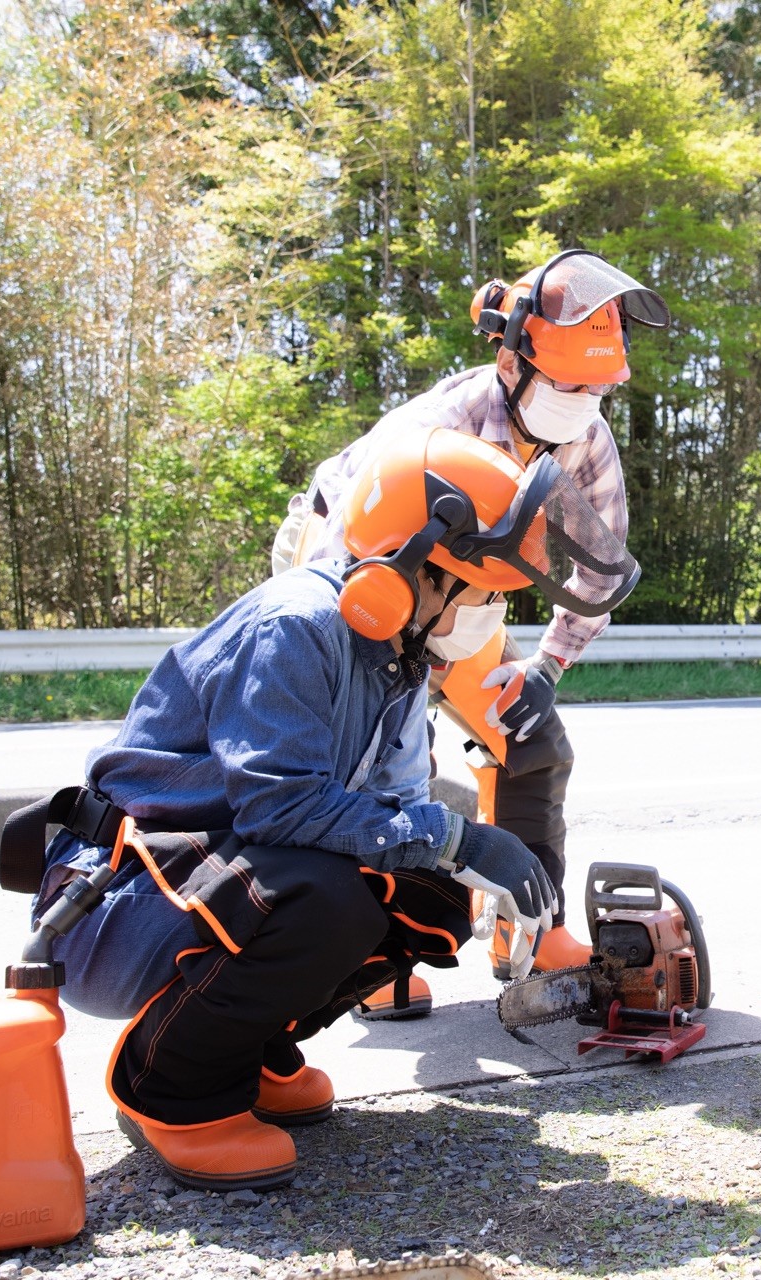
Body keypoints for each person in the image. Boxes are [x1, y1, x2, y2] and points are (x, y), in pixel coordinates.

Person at [15, 426, 637, 1191]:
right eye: (484, 590)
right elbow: (282, 808)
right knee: (327, 899)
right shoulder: (297, 626)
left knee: (433, 896)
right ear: (416, 568)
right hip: (121, 901)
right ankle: (172, 1089)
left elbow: (394, 811)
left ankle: (244, 1050)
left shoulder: (400, 654)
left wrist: (463, 853)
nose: (492, 612)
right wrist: (454, 835)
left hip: (216, 878)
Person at [271, 250, 667, 1016]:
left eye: (597, 387)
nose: (583, 402)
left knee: (533, 743)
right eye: (566, 385)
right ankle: (369, 958)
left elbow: (596, 571)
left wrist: (546, 668)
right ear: (510, 358)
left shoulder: (586, 438)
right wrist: (360, 683)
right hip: (355, 583)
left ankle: (532, 925)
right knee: (373, 766)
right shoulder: (431, 428)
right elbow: (336, 575)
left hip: (460, 601)